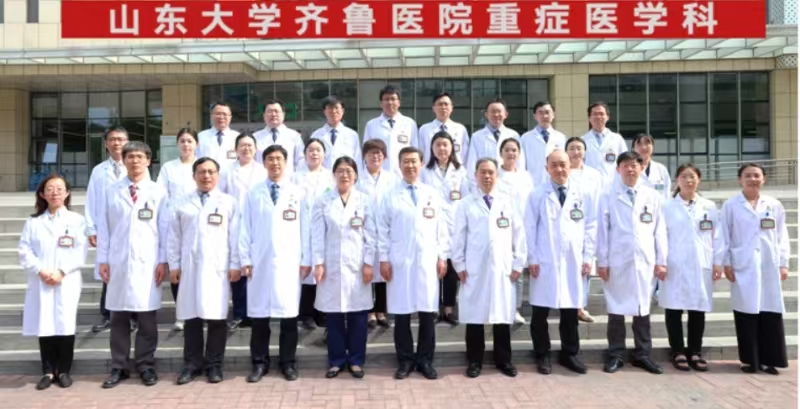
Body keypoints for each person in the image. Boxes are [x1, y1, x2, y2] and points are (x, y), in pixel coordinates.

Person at [97, 141, 169, 388]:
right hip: (118, 261)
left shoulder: (158, 191)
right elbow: (104, 228)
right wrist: (103, 259)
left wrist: (162, 261)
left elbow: (165, 229)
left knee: (147, 319)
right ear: (124, 160)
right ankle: (119, 366)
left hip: (148, 262)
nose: (135, 161)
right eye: (130, 157)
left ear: (148, 161)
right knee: (118, 318)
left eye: (139, 157)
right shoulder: (112, 190)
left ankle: (146, 365)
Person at [240, 145, 311, 382]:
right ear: (264, 163)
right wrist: (245, 258)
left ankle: (288, 363)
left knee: (289, 317)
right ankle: (259, 363)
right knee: (260, 318)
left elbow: (306, 228)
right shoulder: (253, 192)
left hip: (289, 262)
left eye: (279, 158)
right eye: (270, 159)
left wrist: (306, 259)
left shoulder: (297, 193)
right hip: (259, 262)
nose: (275, 163)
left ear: (286, 162)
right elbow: (245, 227)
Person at [378, 147, 449, 380]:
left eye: (414, 161)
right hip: (400, 261)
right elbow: (382, 230)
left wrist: (442, 256)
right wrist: (384, 259)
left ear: (421, 164)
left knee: (427, 313)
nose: (410, 166)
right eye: (405, 162)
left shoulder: (432, 194)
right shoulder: (390, 195)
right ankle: (405, 360)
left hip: (428, 260)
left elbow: (442, 228)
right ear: (399, 165)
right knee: (402, 314)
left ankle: (425, 359)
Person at [451, 158, 525, 379]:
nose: (487, 176)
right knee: (475, 317)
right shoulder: (465, 204)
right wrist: (459, 264)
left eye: (491, 172)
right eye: (482, 172)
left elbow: (519, 235)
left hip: (503, 268)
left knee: (502, 316)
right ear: (475, 175)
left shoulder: (507, 202)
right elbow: (458, 237)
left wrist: (518, 262)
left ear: (496, 176)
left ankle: (504, 360)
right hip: (474, 268)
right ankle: (475, 361)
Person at [169, 157, 240, 385]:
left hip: (218, 268)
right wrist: (174, 264)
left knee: (217, 319)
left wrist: (235, 264)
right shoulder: (181, 203)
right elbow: (173, 237)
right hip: (189, 268)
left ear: (218, 175)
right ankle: (192, 365)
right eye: (201, 172)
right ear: (194, 175)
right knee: (192, 318)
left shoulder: (228, 202)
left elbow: (236, 237)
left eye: (211, 172)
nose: (206, 176)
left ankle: (214, 365)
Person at [525, 150, 596, 375]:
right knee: (540, 313)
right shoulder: (537, 194)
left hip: (574, 260)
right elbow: (529, 228)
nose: (559, 169)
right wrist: (532, 257)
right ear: (546, 168)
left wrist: (588, 257)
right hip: (544, 260)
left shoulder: (582, 193)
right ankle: (542, 354)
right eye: (554, 165)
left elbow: (591, 226)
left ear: (570, 166)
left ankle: (570, 353)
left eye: (563, 164)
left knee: (570, 311)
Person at [596, 151, 666, 375]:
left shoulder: (652, 195)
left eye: (634, 165)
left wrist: (661, 261)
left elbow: (660, 230)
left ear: (641, 167)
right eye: (625, 165)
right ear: (618, 169)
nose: (630, 169)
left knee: (642, 308)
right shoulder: (607, 195)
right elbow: (602, 231)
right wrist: (602, 261)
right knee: (616, 309)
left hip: (645, 260)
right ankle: (616, 354)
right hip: (617, 259)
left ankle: (642, 354)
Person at [718, 163, 790, 375]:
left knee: (770, 311)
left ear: (763, 179)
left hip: (768, 265)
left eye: (756, 175)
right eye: (747, 176)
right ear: (740, 179)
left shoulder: (774, 204)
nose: (752, 179)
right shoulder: (731, 205)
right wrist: (726, 262)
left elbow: (782, 236)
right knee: (746, 312)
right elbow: (724, 235)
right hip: (743, 264)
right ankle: (750, 360)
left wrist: (783, 263)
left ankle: (770, 360)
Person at [19, 174, 87, 390]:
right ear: (42, 194)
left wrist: (61, 271)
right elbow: (24, 250)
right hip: (41, 279)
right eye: (49, 189)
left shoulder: (77, 220)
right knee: (45, 323)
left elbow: (80, 251)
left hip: (66, 280)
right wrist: (41, 271)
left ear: (67, 193)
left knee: (65, 323)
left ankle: (64, 370)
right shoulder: (33, 222)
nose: (54, 193)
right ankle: (48, 371)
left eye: (59, 189)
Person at [312, 156, 377, 379]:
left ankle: (356, 360)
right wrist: (318, 262)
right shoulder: (323, 201)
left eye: (349, 171)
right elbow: (317, 234)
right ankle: (336, 360)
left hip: (357, 265)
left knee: (359, 316)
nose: (345, 175)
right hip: (331, 265)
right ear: (334, 174)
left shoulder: (364, 201)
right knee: (334, 316)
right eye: (340, 171)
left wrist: (368, 263)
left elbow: (371, 235)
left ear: (356, 175)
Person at [659, 164, 722, 372]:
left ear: (699, 180)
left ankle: (695, 351)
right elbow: (661, 237)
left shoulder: (709, 206)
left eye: (692, 177)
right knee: (674, 309)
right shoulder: (667, 206)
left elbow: (717, 236)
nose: (688, 180)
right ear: (677, 180)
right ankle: (677, 351)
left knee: (697, 309)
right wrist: (661, 261)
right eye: (684, 177)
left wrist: (717, 261)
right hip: (674, 264)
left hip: (701, 263)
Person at [218, 133, 267, 332]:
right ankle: (239, 313)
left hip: (259, 224)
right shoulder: (227, 171)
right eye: (242, 145)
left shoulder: (263, 170)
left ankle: (257, 311)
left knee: (257, 268)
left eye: (249, 145)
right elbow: (220, 196)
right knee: (237, 267)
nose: (246, 149)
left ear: (255, 149)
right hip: (235, 223)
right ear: (236, 149)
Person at [420, 131, 470, 325]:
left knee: (451, 268)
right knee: (432, 268)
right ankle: (433, 308)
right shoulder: (425, 172)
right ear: (431, 148)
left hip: (454, 224)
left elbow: (466, 199)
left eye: (445, 145)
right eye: (438, 145)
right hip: (431, 224)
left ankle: (449, 309)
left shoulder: (461, 171)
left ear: (452, 148)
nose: (442, 148)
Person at [86, 127, 131, 333]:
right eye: (112, 139)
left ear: (127, 142)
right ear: (106, 144)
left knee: (129, 269)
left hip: (129, 227)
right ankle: (107, 315)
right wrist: (91, 228)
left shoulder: (135, 165)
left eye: (121, 139)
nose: (116, 143)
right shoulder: (99, 170)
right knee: (108, 270)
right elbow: (91, 200)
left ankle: (132, 316)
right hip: (106, 228)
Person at [156, 127, 199, 332]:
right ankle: (181, 314)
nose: (186, 144)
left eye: (190, 141)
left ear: (196, 144)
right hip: (174, 223)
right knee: (177, 267)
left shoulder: (203, 164)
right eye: (182, 141)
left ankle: (199, 310)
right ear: (177, 144)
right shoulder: (168, 167)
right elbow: (160, 194)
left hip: (198, 222)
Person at [356, 139, 398, 328]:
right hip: (364, 228)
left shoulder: (392, 179)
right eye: (371, 153)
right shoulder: (358, 179)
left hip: (386, 229)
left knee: (384, 271)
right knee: (367, 270)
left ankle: (381, 310)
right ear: (364, 156)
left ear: (385, 157)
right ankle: (369, 311)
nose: (375, 156)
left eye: (379, 153)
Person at [294, 138, 336, 330]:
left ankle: (323, 313)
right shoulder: (296, 177)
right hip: (302, 227)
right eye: (310, 150)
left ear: (324, 154)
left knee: (323, 269)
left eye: (318, 150)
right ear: (304, 154)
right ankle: (306, 314)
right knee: (306, 271)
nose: (314, 153)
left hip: (325, 227)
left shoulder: (330, 177)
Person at [496, 138, 534, 324]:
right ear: (501, 153)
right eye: (507, 150)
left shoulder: (525, 176)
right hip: (500, 226)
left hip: (522, 226)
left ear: (519, 154)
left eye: (514, 150)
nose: (511, 153)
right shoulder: (495, 174)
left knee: (518, 265)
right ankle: (499, 304)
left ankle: (515, 308)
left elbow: (531, 201)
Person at [565, 137, 603, 323]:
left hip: (588, 223)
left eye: (579, 148)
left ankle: (580, 306)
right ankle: (567, 303)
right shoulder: (563, 172)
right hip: (568, 225)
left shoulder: (594, 174)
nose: (576, 152)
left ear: (585, 151)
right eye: (572, 148)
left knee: (584, 266)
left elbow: (598, 201)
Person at [465, 98, 525, 185]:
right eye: (493, 111)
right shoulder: (477, 136)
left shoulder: (514, 135)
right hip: (485, 184)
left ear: (506, 114)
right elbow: (471, 165)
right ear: (486, 114)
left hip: (509, 183)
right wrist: (475, 186)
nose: (496, 114)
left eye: (499, 111)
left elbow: (520, 163)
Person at [363, 85, 419, 174]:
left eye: (393, 99)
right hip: (379, 173)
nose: (390, 102)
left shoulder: (410, 123)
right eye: (386, 99)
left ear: (399, 102)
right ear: (381, 103)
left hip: (403, 172)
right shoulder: (371, 125)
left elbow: (415, 150)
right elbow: (366, 152)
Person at [580, 102, 628, 189]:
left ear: (607, 117)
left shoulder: (617, 139)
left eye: (601, 114)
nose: (598, 117)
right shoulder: (582, 141)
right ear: (589, 118)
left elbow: (625, 162)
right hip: (589, 186)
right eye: (595, 114)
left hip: (613, 186)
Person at [520, 101, 567, 186]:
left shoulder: (561, 138)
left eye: (547, 112)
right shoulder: (525, 138)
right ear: (535, 116)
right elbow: (521, 164)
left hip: (555, 184)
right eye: (540, 113)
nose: (544, 116)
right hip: (532, 184)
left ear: (553, 115)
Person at [308, 96, 362, 170]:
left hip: (345, 174)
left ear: (342, 111)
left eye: (336, 108)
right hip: (322, 175)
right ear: (324, 111)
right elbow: (310, 160)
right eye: (330, 108)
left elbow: (357, 160)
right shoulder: (316, 135)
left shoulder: (352, 135)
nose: (333, 111)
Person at [253, 100, 305, 176]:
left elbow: (301, 160)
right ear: (264, 115)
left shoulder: (294, 136)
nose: (273, 114)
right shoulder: (255, 137)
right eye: (269, 111)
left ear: (283, 114)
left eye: (276, 111)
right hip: (261, 179)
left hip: (287, 179)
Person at [418, 92, 470, 166]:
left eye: (446, 104)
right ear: (433, 108)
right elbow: (420, 154)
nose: (443, 107)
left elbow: (466, 155)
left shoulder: (461, 129)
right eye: (440, 104)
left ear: (451, 108)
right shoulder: (424, 129)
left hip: (455, 170)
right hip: (431, 170)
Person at [632, 133, 671, 201]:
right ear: (633, 149)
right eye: (639, 144)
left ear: (653, 147)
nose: (644, 147)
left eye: (647, 144)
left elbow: (667, 194)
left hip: (659, 207)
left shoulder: (661, 169)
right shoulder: (629, 169)